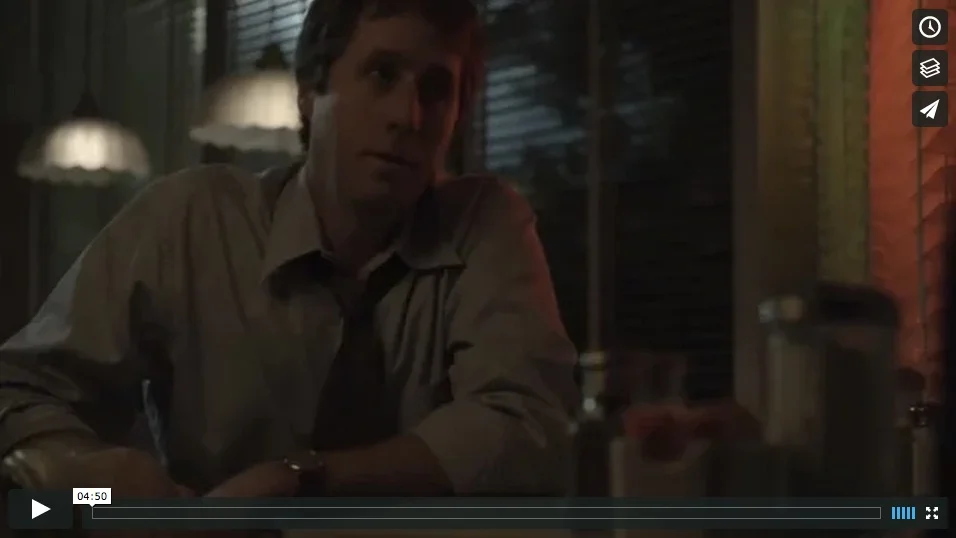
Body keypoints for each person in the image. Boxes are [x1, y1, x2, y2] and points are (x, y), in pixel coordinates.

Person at [0, 0, 578, 500]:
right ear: (308, 94)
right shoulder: (191, 221)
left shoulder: (484, 224)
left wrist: (300, 479)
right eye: (382, 74)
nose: (409, 116)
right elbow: (19, 386)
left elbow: (529, 428)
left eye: (436, 89)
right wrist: (88, 479)